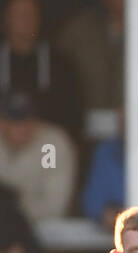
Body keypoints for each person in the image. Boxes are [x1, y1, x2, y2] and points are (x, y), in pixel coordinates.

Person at [0, 0, 83, 146]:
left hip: (45, 145)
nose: (26, 20)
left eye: (31, 14)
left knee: (54, 151)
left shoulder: (60, 64)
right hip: (3, 144)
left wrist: (33, 128)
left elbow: (72, 117)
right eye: (20, 15)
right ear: (6, 18)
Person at [0, 91, 76, 220]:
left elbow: (54, 207)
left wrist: (12, 210)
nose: (22, 127)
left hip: (43, 229)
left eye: (27, 120)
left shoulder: (51, 146)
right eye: (14, 121)